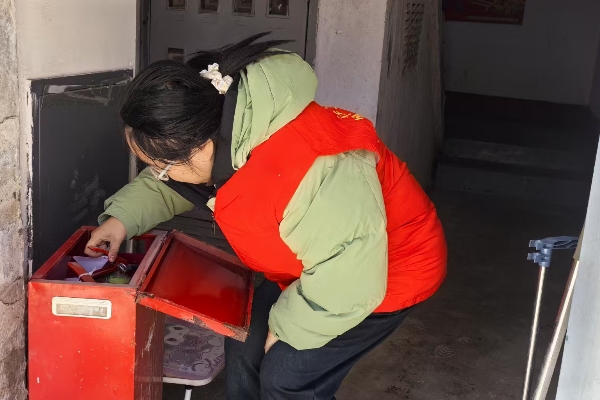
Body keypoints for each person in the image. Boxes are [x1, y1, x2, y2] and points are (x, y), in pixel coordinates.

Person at [85, 33, 447, 400]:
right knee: (243, 344)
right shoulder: (225, 130)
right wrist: (122, 219)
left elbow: (349, 275)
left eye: (159, 166)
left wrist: (290, 330)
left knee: (286, 378)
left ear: (202, 149)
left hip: (385, 271)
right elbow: (177, 182)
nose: (159, 174)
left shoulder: (312, 168)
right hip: (311, 266)